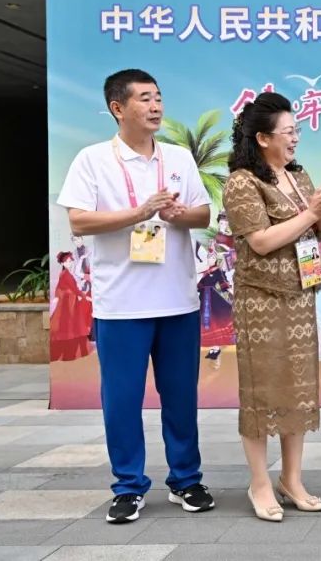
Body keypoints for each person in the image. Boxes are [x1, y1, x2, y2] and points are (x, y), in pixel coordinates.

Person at [57, 69, 215, 523]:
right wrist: (139, 212)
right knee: (122, 401)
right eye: (145, 98)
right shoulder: (92, 159)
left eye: (158, 97)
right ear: (117, 108)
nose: (156, 106)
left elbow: (204, 214)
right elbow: (79, 221)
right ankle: (128, 486)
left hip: (177, 300)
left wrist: (178, 213)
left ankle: (186, 480)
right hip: (121, 305)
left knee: (180, 398)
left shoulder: (178, 158)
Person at [223, 92, 321, 521]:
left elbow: (315, 234)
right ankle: (260, 482)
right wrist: (311, 213)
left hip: (301, 295)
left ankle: (291, 479)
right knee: (262, 392)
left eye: (297, 131)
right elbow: (260, 242)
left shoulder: (297, 174)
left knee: (298, 389)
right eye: (288, 131)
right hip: (260, 301)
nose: (295, 138)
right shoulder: (243, 182)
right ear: (262, 138)